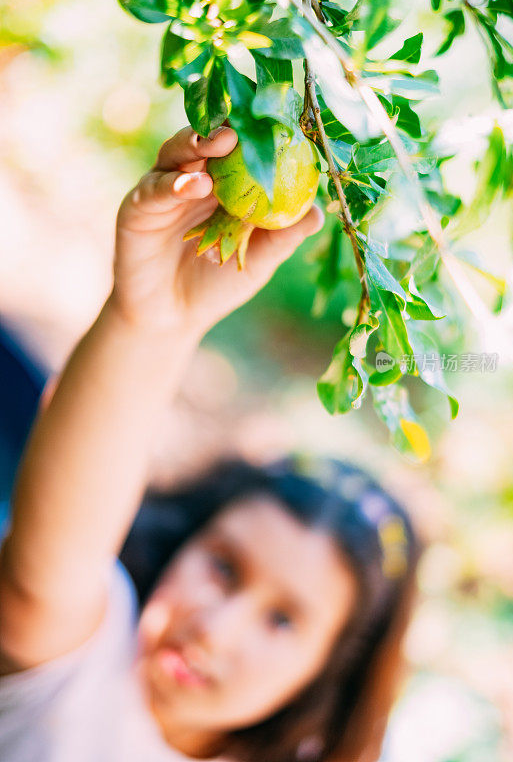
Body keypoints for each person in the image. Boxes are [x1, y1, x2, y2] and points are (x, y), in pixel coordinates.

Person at [0, 125, 419, 762]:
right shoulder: (80, 671)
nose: (214, 632)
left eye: (283, 621)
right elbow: (45, 576)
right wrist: (149, 321)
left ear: (328, 673)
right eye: (222, 566)